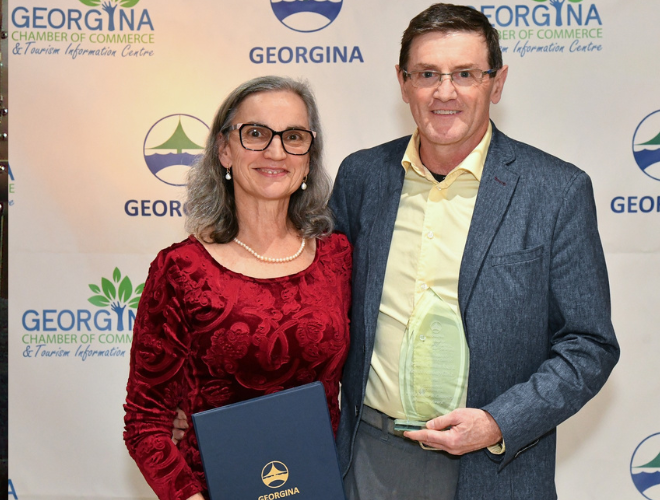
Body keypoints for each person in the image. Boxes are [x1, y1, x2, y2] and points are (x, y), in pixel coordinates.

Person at [329, 4, 619, 499]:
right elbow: (311, 307)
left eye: (465, 74)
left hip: (493, 469)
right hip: (369, 457)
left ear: (497, 82)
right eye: (427, 74)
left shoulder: (556, 190)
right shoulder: (362, 177)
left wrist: (496, 422)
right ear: (403, 83)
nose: (445, 92)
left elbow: (589, 345)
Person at [123, 76, 351, 500]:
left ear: (308, 156)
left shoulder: (338, 258)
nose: (276, 151)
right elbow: (146, 424)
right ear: (224, 150)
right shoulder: (181, 270)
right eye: (256, 134)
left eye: (294, 136)